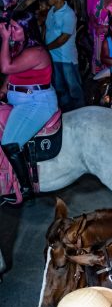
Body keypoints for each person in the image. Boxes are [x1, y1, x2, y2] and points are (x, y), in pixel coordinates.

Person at [0, 10, 59, 200]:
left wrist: (4, 39)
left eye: (15, 28)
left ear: (27, 29)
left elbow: (6, 67)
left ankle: (26, 188)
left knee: (9, 142)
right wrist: (3, 89)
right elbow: (12, 73)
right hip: (22, 99)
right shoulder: (20, 45)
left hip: (37, 103)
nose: (11, 30)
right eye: (10, 26)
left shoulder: (36, 52)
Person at [45, 0, 84, 112]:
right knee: (60, 89)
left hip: (66, 59)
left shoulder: (69, 14)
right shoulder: (51, 10)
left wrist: (46, 48)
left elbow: (63, 38)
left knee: (74, 90)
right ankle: (67, 114)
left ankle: (81, 114)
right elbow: (47, 28)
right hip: (54, 58)